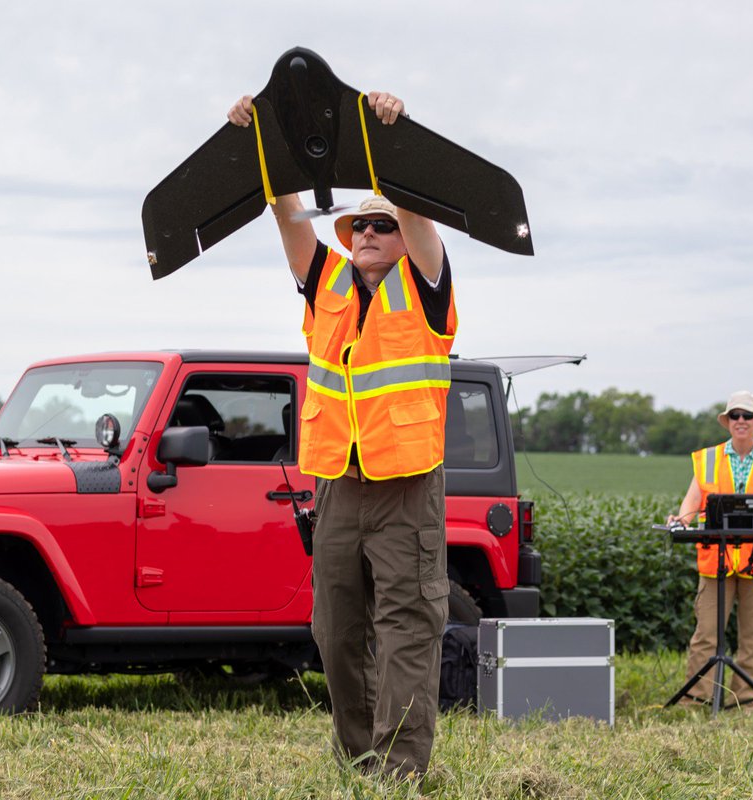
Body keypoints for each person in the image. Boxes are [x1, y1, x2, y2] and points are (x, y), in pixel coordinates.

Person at [228, 91, 454, 777]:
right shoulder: (325, 282)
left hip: (407, 490)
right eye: (358, 227)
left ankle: (401, 770)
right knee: (335, 633)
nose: (366, 235)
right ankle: (359, 759)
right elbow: (289, 213)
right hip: (338, 489)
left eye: (380, 226)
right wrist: (265, 137)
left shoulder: (426, 286)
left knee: (407, 632)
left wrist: (392, 139)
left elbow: (418, 215)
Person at [667, 390, 753, 709]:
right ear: (727, 422)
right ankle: (697, 700)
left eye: (747, 416)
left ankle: (745, 703)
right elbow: (692, 503)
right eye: (735, 416)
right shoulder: (707, 459)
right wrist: (680, 520)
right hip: (716, 562)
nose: (741, 421)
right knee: (706, 634)